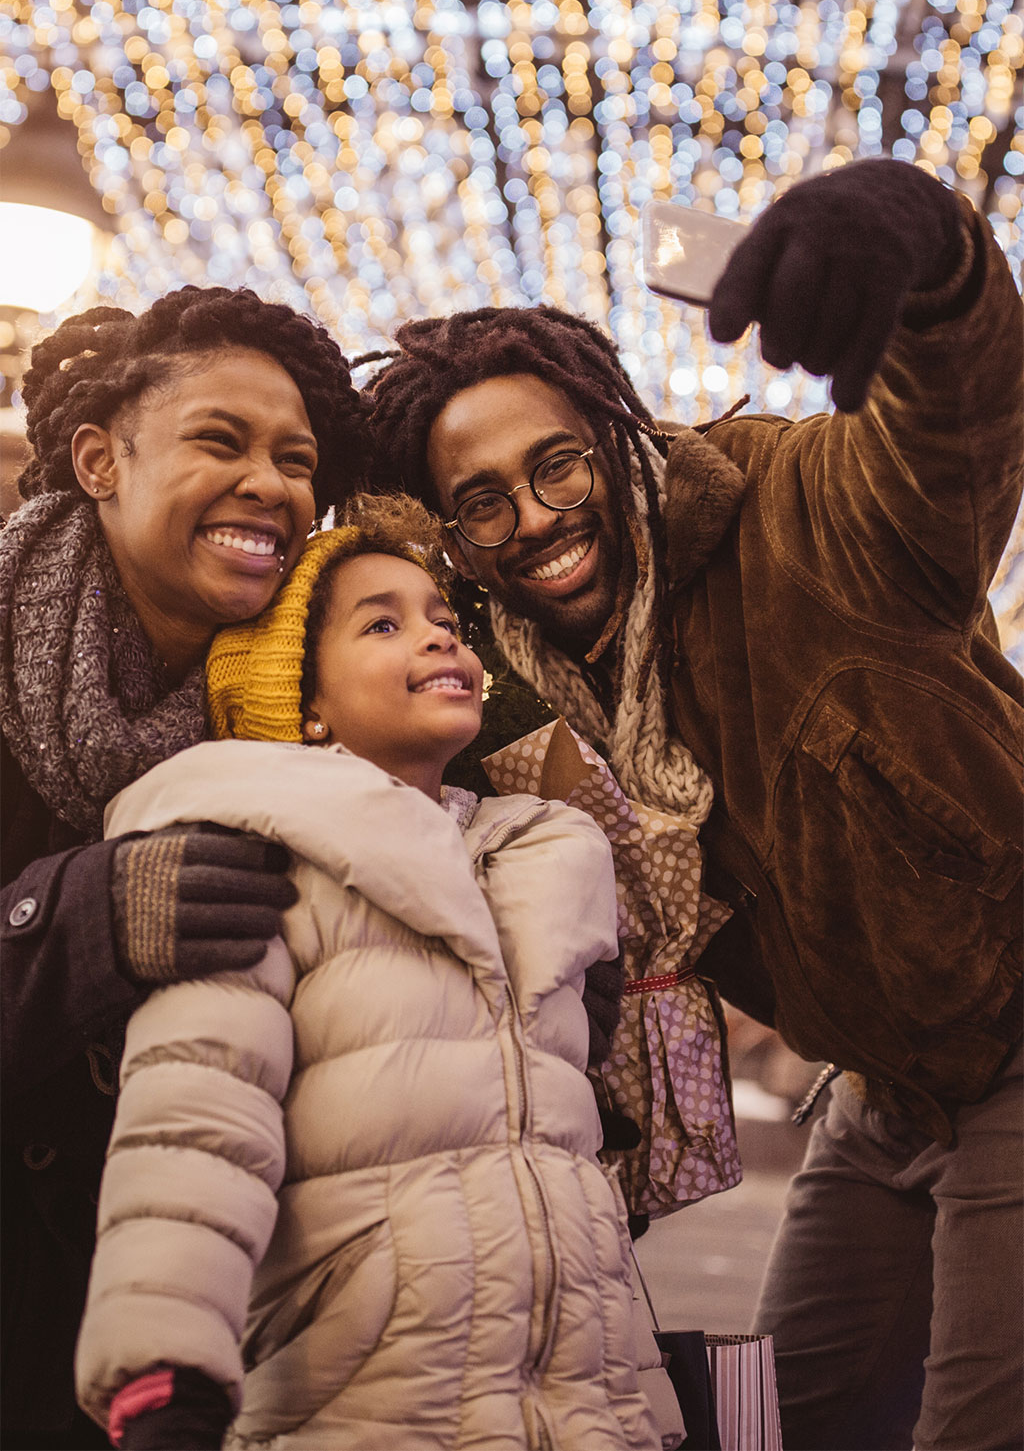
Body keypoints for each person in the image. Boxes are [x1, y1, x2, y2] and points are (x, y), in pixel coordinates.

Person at [362, 157, 1024, 1451]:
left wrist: (931, 253)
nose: (541, 519)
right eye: (483, 501)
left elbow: (956, 421)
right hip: (889, 1089)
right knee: (796, 1419)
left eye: (559, 464)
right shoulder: (514, 696)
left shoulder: (799, 513)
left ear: (615, 432)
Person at [74, 495, 662, 1451]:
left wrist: (645, 1402)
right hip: (363, 1402)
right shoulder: (257, 860)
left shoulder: (539, 859)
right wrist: (164, 1378)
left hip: (574, 1409)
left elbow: (566, 1168)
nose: (437, 639)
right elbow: (193, 1129)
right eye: (382, 624)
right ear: (304, 703)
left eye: (444, 618)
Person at [1, 286, 368, 1450]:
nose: (271, 483)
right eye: (222, 439)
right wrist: (76, 918)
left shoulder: (324, 685)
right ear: (100, 460)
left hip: (216, 1323)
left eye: (296, 458)